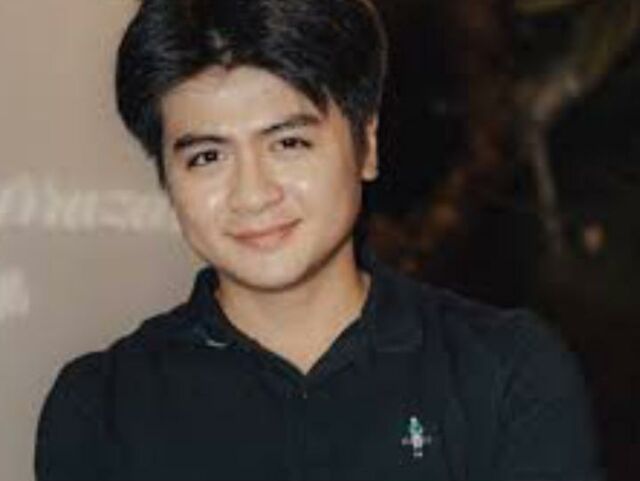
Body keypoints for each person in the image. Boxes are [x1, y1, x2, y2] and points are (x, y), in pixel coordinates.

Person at [35, 0, 602, 480]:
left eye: (288, 144)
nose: (252, 194)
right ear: (166, 175)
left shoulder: (505, 373)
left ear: (366, 146)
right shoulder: (102, 407)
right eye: (207, 157)